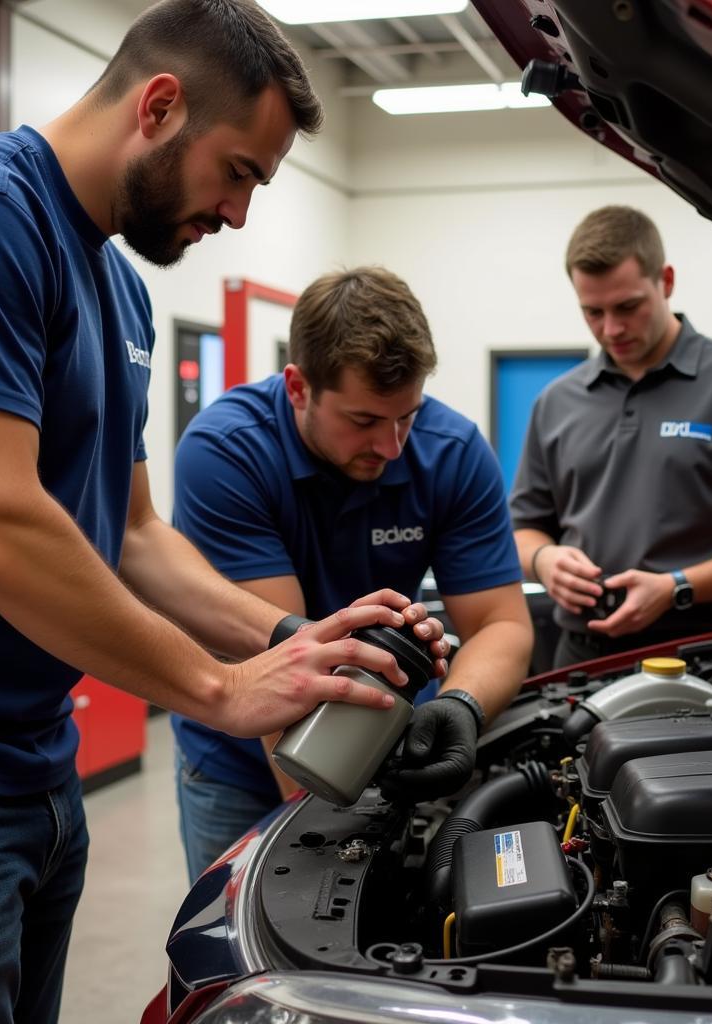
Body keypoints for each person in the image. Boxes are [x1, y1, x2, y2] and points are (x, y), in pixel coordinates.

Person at [0, 4, 449, 1021]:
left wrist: (288, 641)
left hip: (36, 772)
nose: (240, 213)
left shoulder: (118, 291)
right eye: (241, 172)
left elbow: (130, 535)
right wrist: (216, 690)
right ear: (160, 107)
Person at [172, 266, 534, 881]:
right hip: (242, 759)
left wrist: (463, 706)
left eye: (407, 417)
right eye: (365, 421)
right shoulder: (227, 452)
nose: (392, 446)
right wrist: (341, 822)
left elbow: (502, 621)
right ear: (297, 387)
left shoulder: (451, 450)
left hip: (384, 732)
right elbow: (280, 661)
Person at [511, 205, 712, 668]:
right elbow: (523, 528)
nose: (611, 329)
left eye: (628, 307)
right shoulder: (556, 402)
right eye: (592, 312)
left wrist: (677, 586)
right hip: (582, 656)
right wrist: (544, 562)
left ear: (667, 281)